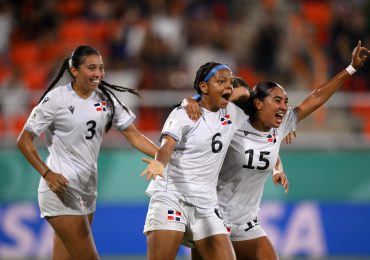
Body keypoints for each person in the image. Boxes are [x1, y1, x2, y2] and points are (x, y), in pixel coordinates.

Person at [185, 41, 369, 260]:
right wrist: (191, 100)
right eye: (278, 100)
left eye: (286, 102)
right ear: (259, 104)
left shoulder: (281, 126)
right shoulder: (232, 123)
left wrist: (351, 69)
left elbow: (317, 97)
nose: (284, 106)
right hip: (213, 219)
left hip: (245, 223)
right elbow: (211, 103)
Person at [16, 45, 158, 260]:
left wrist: (163, 156)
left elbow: (133, 134)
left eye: (101, 68)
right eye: (92, 68)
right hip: (61, 187)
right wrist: (47, 173)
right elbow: (24, 140)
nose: (98, 74)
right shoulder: (57, 99)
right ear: (74, 70)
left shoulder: (106, 98)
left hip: (87, 188)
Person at [140, 62, 250, 260]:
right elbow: (167, 146)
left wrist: (199, 96)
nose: (228, 86)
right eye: (221, 81)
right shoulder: (183, 114)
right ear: (204, 86)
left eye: (230, 82)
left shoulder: (233, 113)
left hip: (206, 205)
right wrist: (160, 163)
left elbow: (246, 93)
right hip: (172, 197)